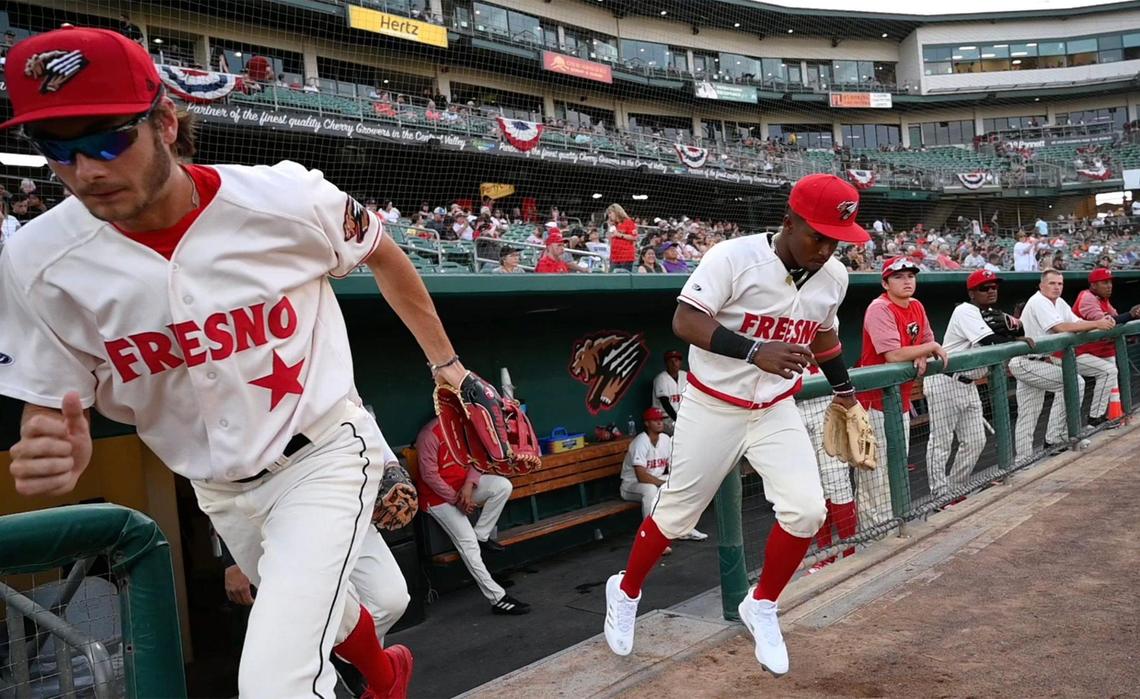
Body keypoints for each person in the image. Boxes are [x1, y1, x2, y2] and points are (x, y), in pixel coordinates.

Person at [0, 27, 475, 698]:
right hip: (216, 487)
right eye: (57, 149)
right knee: (334, 614)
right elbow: (51, 397)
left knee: (275, 681)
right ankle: (385, 672)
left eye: (106, 140)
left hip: (321, 454)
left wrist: (445, 363)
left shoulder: (282, 200)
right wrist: (52, 433)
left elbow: (382, 251)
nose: (86, 170)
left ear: (166, 122)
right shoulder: (35, 260)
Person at [603, 174, 869, 677]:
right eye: (818, 236)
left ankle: (762, 603)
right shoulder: (734, 257)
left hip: (774, 408)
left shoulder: (834, 276)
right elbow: (685, 321)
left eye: (836, 240)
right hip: (712, 405)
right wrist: (753, 350)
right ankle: (626, 589)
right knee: (676, 516)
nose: (826, 249)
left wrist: (845, 391)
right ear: (788, 222)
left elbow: (825, 336)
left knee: (807, 510)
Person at [855, 257, 947, 529]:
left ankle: (892, 527)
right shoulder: (879, 308)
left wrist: (921, 352)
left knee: (895, 467)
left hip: (900, 401)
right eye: (898, 276)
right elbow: (893, 355)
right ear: (885, 283)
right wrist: (928, 349)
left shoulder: (916, 305)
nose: (907, 281)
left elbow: (924, 340)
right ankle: (873, 536)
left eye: (910, 275)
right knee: (874, 474)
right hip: (873, 403)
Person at [926, 270, 1033, 500]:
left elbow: (1012, 331)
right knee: (941, 443)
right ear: (972, 293)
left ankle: (955, 489)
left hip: (968, 384)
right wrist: (1014, 339)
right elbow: (989, 341)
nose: (991, 290)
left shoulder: (990, 314)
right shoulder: (965, 310)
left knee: (976, 440)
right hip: (945, 382)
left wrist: (1017, 332)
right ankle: (939, 496)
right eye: (985, 288)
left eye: (994, 286)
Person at [414, 418, 530, 615]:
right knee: (469, 544)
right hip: (438, 498)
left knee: (502, 486)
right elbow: (429, 476)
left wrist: (468, 486)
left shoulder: (466, 426)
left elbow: (478, 459)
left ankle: (481, 535)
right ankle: (498, 598)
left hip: (463, 489)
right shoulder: (429, 434)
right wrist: (457, 499)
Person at [1011, 269, 1113, 460]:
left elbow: (1077, 322)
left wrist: (1099, 322)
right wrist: (1097, 324)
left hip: (1038, 361)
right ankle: (1055, 438)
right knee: (1073, 383)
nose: (1057, 287)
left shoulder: (1058, 302)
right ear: (1041, 285)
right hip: (1025, 362)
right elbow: (1061, 327)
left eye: (1060, 284)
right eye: (1052, 283)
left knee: (1028, 414)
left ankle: (1026, 458)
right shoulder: (1039, 301)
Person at [618, 407, 707, 542]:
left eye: (661, 419)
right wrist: (665, 484)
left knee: (679, 485)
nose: (660, 422)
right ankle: (651, 537)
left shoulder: (665, 440)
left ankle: (683, 529)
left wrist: (675, 482)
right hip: (631, 486)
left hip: (655, 480)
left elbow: (674, 467)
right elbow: (642, 477)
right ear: (647, 423)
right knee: (650, 490)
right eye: (655, 420)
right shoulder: (640, 442)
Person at [651, 350, 687, 435]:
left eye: (676, 361)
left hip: (681, 417)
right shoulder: (661, 379)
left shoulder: (684, 376)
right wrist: (678, 420)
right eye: (670, 361)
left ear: (680, 363)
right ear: (666, 364)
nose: (674, 364)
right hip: (664, 419)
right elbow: (665, 403)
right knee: (683, 432)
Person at [606, 203, 638, 272]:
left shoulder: (628, 222)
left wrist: (619, 235)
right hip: (614, 257)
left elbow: (634, 237)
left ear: (617, 212)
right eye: (608, 214)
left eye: (610, 213)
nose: (609, 215)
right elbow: (610, 241)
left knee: (624, 277)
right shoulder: (614, 225)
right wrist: (610, 227)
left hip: (626, 257)